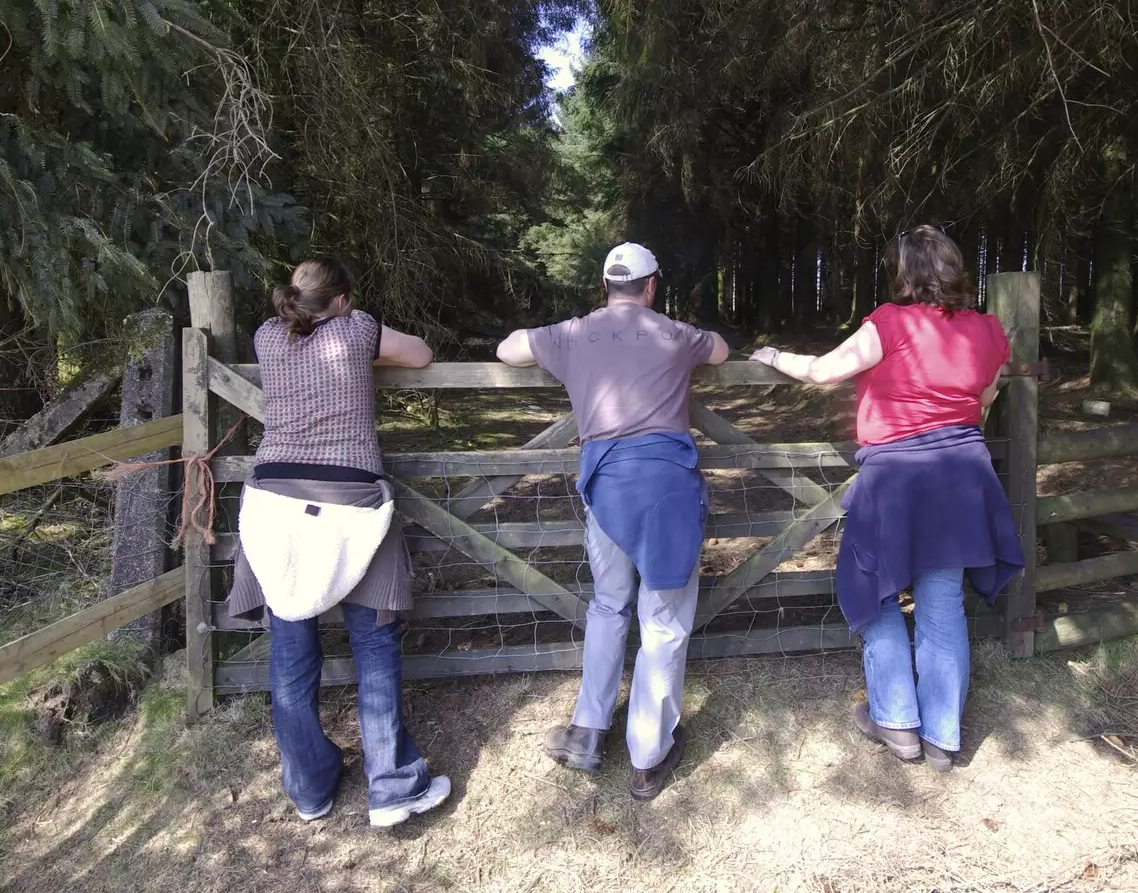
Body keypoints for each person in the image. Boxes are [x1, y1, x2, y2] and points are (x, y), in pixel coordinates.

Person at [749, 226, 1023, 771]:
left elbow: (824, 371)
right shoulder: (988, 331)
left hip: (897, 478)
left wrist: (772, 352)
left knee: (873, 588)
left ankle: (896, 720)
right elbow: (986, 396)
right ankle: (943, 735)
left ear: (905, 272)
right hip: (963, 477)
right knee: (942, 600)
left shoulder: (890, 323)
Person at [496, 242, 730, 800]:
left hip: (606, 486)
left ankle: (587, 731)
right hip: (668, 485)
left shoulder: (572, 333)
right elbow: (721, 350)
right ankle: (648, 756)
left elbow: (508, 350)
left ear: (606, 285)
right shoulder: (674, 333)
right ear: (651, 287)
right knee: (663, 616)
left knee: (608, 603)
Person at [229, 257, 451, 827]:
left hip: (273, 500)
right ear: (344, 299)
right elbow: (421, 354)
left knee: (290, 648)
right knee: (374, 644)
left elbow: (301, 351)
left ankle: (309, 787)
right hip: (352, 499)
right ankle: (391, 786)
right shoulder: (357, 330)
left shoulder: (264, 336)